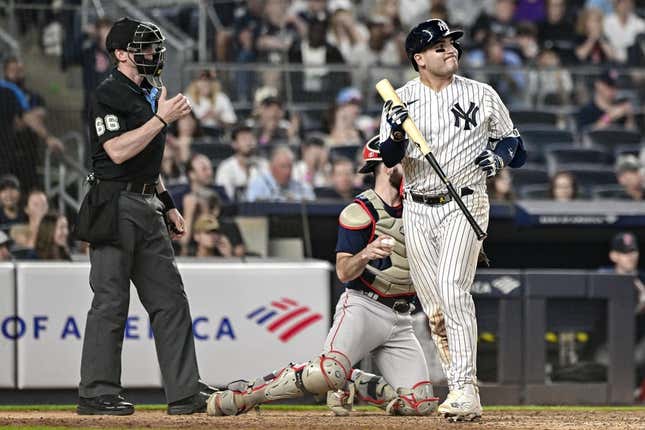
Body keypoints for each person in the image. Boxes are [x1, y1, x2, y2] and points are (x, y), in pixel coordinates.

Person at [207, 136, 438, 417]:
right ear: (388, 166)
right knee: (328, 371)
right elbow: (343, 271)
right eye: (406, 162)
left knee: (421, 404)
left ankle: (354, 379)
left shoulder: (419, 208)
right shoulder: (361, 211)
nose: (413, 169)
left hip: (402, 319)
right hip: (364, 307)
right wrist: (366, 253)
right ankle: (248, 393)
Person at [379, 19, 526, 421]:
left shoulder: (481, 93)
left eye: (451, 43)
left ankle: (465, 388)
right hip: (417, 204)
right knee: (435, 309)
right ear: (419, 58)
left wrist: (497, 158)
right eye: (438, 45)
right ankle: (458, 391)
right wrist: (394, 133)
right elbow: (390, 159)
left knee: (452, 288)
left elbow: (516, 143)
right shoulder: (400, 100)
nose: (449, 50)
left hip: (465, 201)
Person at [76, 17, 214, 416]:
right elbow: (117, 152)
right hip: (113, 204)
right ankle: (96, 392)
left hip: (146, 205)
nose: (153, 54)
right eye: (145, 47)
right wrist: (161, 119)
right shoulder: (108, 93)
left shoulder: (146, 93)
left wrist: (168, 202)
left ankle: (185, 391)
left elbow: (146, 164)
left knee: (170, 300)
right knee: (111, 301)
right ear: (121, 54)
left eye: (153, 47)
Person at [245, 145, 315, 202]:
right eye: (283, 166)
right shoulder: (258, 183)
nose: (287, 171)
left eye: (290, 166)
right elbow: (252, 205)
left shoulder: (297, 185)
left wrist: (296, 198)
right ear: (271, 167)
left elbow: (311, 198)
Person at [215, 125, 265, 200]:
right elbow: (225, 197)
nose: (249, 142)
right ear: (234, 144)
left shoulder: (263, 164)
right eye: (244, 139)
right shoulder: (226, 167)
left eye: (251, 138)